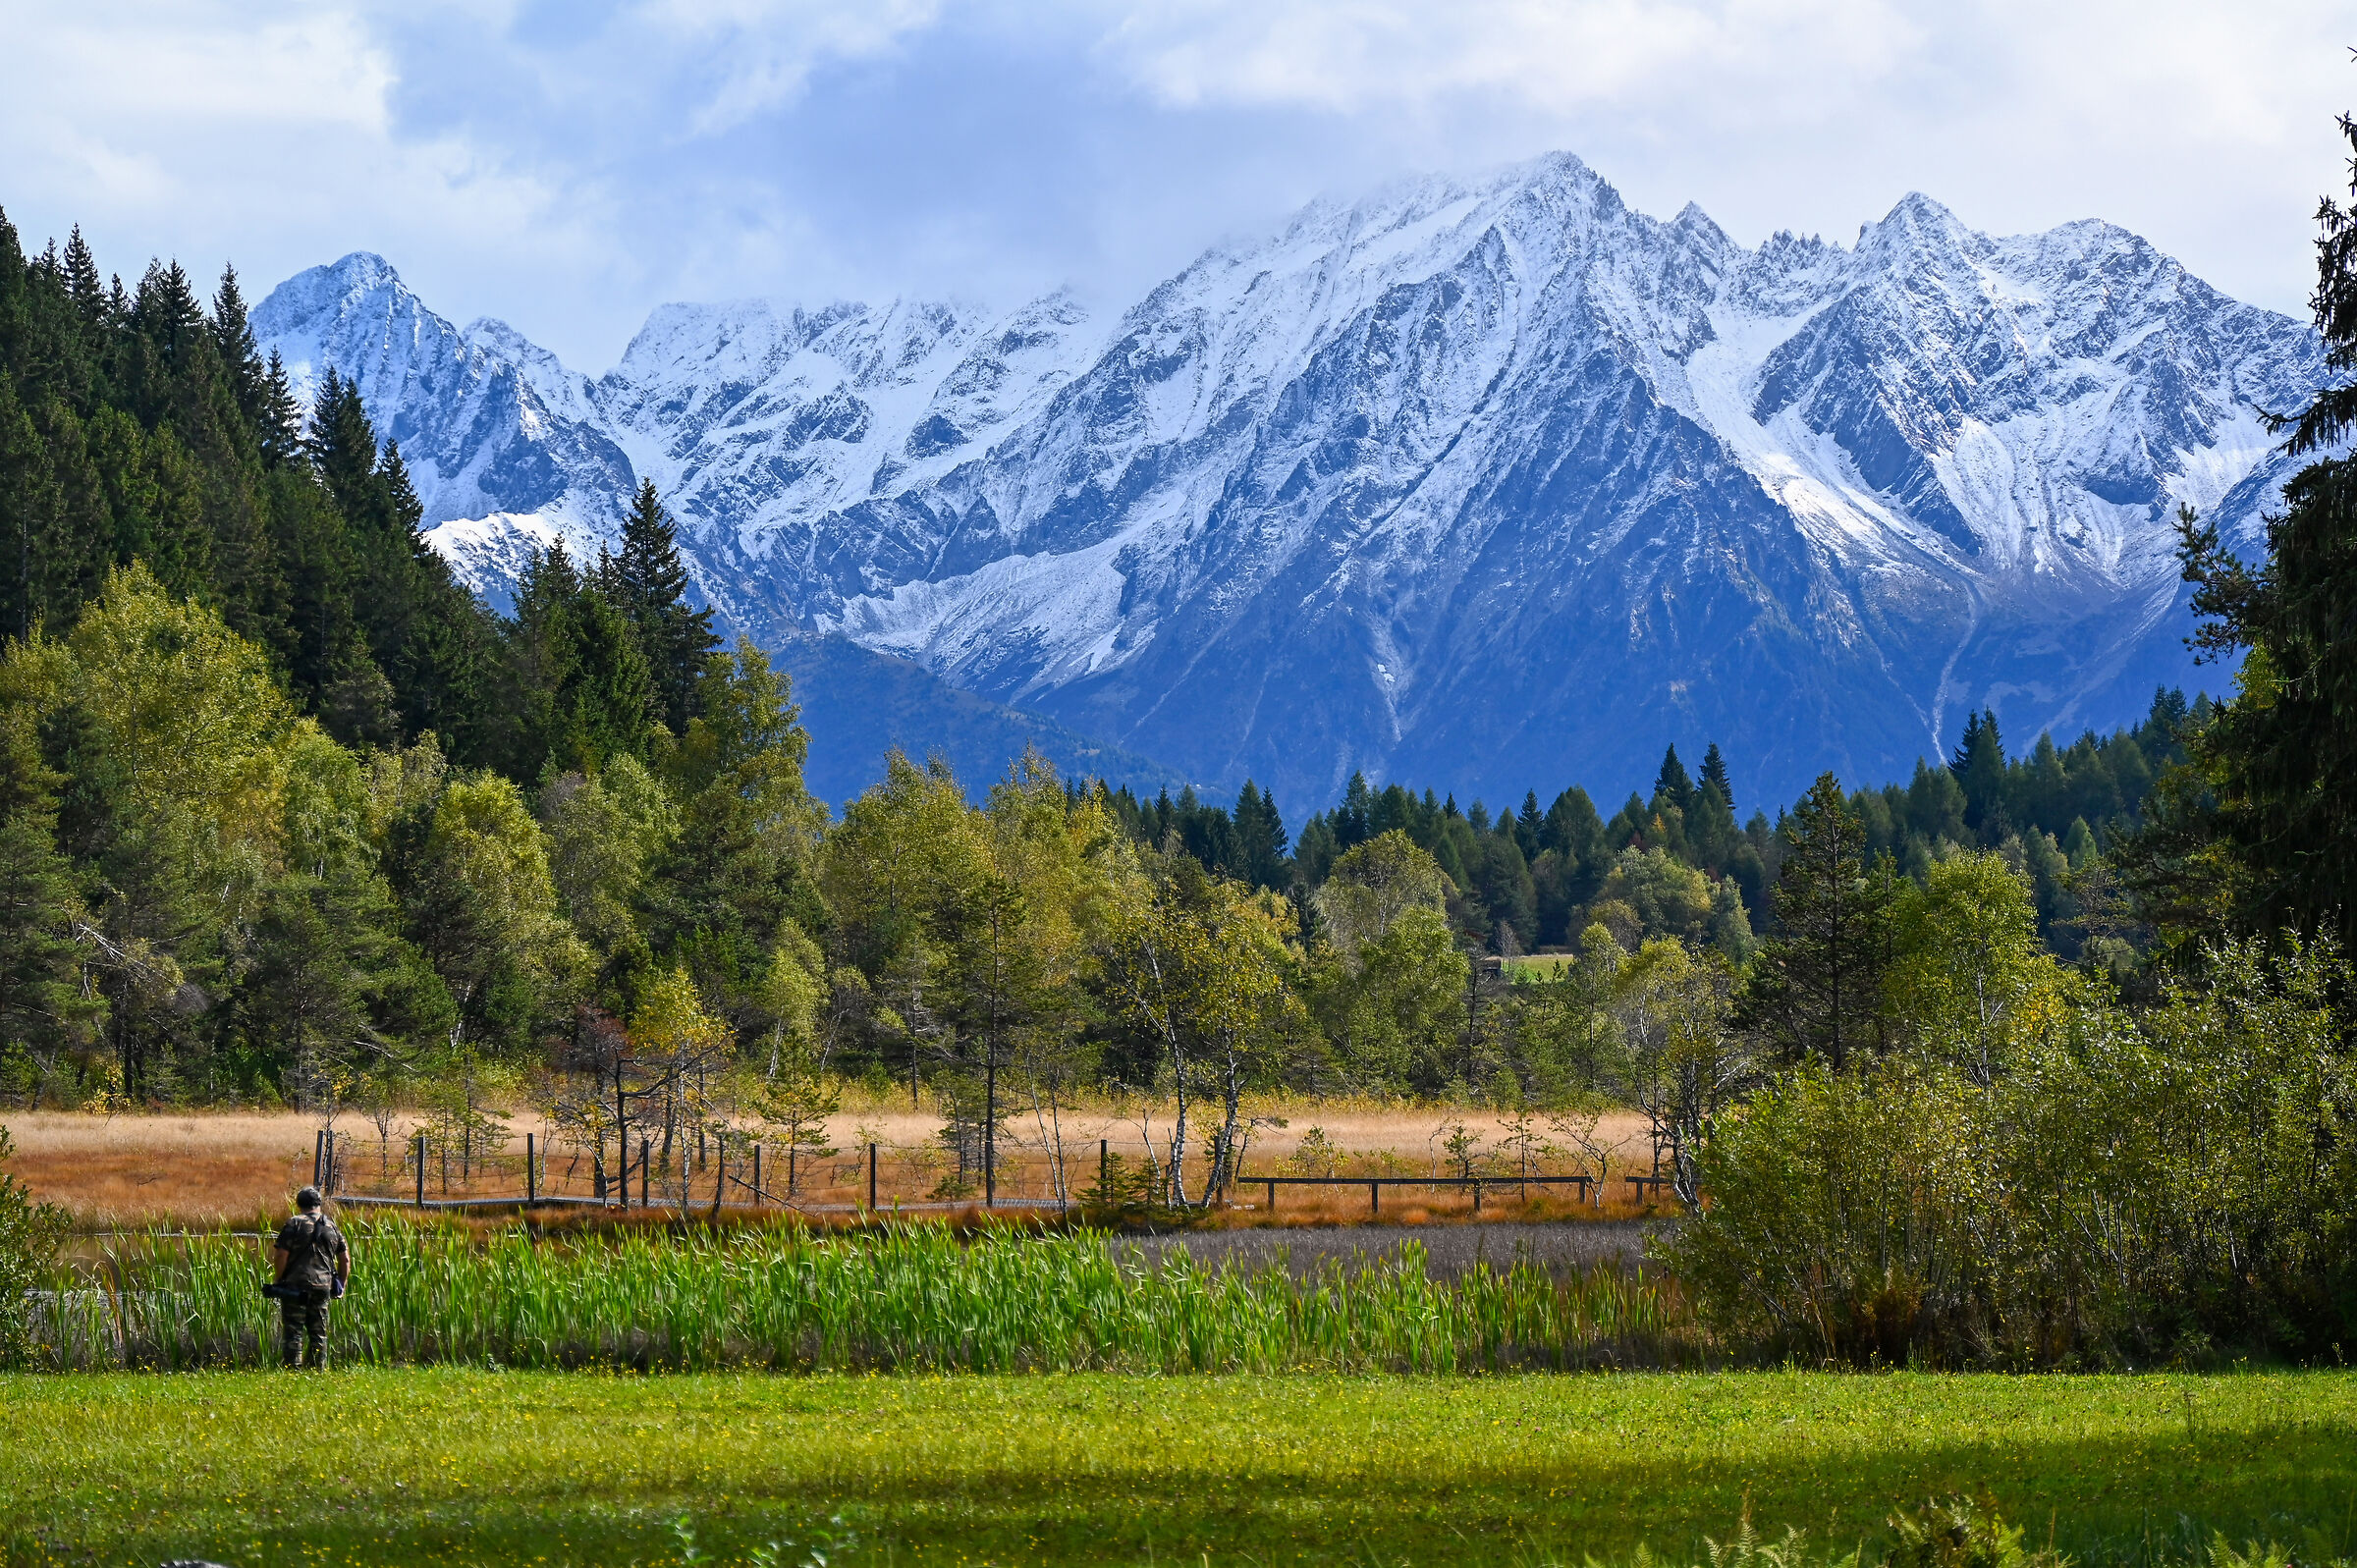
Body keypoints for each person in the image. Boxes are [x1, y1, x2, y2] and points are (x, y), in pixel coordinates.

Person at [269, 1186, 350, 1369]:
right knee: (318, 1332)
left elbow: (281, 1254)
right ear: (319, 1203)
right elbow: (345, 1259)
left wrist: (279, 1280)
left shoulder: (294, 1223)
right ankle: (317, 1370)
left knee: (293, 1331)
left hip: (295, 1286)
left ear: (298, 1204)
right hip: (323, 1286)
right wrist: (341, 1285)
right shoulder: (331, 1226)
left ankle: (293, 1371)